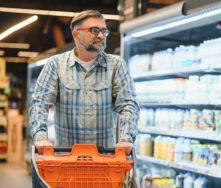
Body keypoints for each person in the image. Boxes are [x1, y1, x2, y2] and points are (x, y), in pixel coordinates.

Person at [29, 10, 139, 156]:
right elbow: (39, 103)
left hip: (105, 163)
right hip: (66, 163)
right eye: (94, 30)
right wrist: (40, 137)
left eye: (104, 31)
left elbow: (128, 104)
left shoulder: (116, 65)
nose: (101, 35)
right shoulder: (55, 64)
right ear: (76, 35)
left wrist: (126, 138)